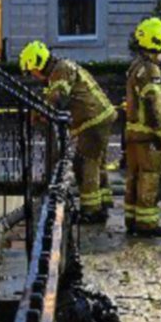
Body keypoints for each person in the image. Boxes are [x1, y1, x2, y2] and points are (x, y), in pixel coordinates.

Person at [20, 41, 117, 224]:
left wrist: (42, 112)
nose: (33, 75)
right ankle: (103, 204)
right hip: (98, 117)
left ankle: (91, 211)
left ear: (38, 63)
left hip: (92, 120)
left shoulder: (60, 70)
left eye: (31, 70)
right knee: (97, 163)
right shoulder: (61, 69)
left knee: (85, 164)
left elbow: (59, 98)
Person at [124, 17, 161, 239]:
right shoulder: (152, 71)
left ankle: (132, 220)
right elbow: (154, 107)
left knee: (134, 178)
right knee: (150, 179)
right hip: (149, 137)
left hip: (134, 135)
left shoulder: (136, 66)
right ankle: (147, 225)